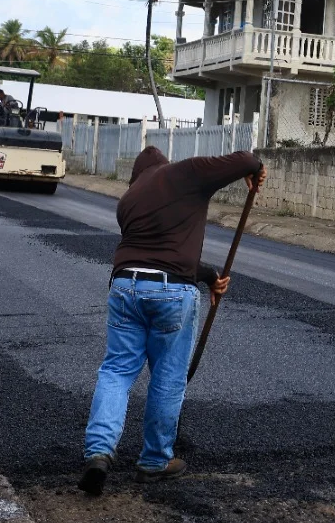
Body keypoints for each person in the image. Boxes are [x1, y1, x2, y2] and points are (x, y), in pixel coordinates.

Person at [78, 145, 265, 494]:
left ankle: (99, 453)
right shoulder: (184, 173)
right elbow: (244, 159)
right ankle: (154, 461)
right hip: (169, 292)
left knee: (117, 371)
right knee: (167, 376)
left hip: (124, 286)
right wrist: (255, 168)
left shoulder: (129, 200)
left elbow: (156, 252)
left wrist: (208, 275)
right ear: (164, 166)